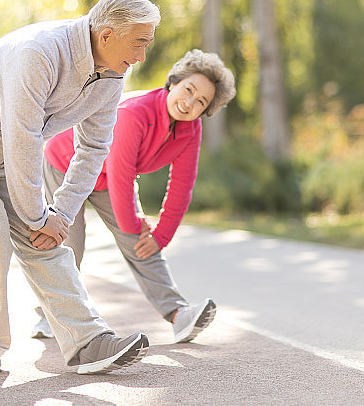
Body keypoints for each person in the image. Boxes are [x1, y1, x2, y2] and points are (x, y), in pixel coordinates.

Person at [0, 0, 160, 375]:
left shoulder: (112, 74)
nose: (142, 56)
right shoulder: (39, 53)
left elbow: (95, 147)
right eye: (139, 43)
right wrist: (37, 213)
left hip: (5, 149)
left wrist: (58, 214)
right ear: (107, 34)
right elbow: (23, 138)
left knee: (44, 237)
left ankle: (88, 341)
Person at [33, 49, 235, 344]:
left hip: (106, 178)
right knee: (70, 245)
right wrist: (135, 225)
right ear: (173, 83)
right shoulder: (135, 113)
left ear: (206, 110)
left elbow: (181, 186)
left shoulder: (191, 129)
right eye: (188, 90)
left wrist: (159, 236)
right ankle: (49, 315)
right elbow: (121, 177)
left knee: (142, 243)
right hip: (67, 165)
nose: (190, 102)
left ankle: (179, 315)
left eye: (201, 101)